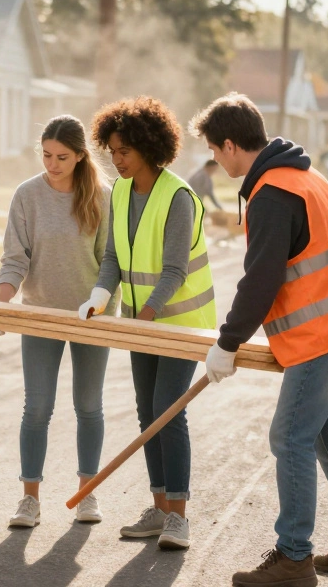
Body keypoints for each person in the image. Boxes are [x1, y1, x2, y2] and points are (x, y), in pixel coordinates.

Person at [191, 93, 328, 587]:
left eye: (215, 150)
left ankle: (294, 556)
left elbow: (261, 280)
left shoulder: (273, 194)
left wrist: (227, 342)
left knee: (290, 438)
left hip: (326, 336)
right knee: (327, 433)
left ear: (231, 145)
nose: (215, 160)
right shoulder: (303, 176)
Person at [77, 96, 215, 551]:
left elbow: (174, 272)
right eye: (112, 151)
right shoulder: (120, 191)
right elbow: (115, 256)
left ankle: (179, 517)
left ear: (149, 148)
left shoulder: (178, 196)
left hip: (180, 324)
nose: (116, 161)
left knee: (168, 413)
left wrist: (147, 317)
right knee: (147, 414)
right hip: (142, 324)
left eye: (125, 152)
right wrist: (100, 295)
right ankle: (158, 508)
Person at [0, 116, 112, 529]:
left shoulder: (103, 196)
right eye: (47, 155)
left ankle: (86, 495)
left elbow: (111, 259)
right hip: (39, 314)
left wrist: (99, 301)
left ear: (80, 156)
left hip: (91, 318)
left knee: (88, 407)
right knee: (37, 408)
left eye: (62, 157)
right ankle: (29, 500)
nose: (52, 164)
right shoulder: (27, 195)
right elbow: (15, 258)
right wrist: (0, 305)